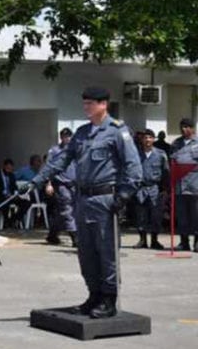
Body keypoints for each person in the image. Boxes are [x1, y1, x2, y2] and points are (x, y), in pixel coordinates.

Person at [29, 87, 142, 319]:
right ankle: (94, 294)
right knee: (86, 250)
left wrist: (124, 195)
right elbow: (60, 160)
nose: (86, 107)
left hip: (105, 198)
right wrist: (36, 181)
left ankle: (109, 298)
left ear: (103, 105)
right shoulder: (81, 133)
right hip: (82, 198)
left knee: (106, 249)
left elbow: (133, 166)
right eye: (85, 103)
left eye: (90, 103)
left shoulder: (117, 132)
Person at [134, 129, 168, 249]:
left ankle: (154, 240)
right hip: (140, 188)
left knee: (156, 215)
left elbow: (166, 172)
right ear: (142, 140)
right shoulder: (136, 154)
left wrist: (165, 189)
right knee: (141, 215)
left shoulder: (160, 154)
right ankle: (142, 240)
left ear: (154, 139)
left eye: (150, 137)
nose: (147, 140)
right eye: (145, 138)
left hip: (155, 188)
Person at [45, 128, 77, 246]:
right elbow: (48, 168)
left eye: (69, 136)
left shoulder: (76, 150)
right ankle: (75, 236)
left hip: (74, 183)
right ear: (61, 137)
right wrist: (48, 184)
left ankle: (52, 235)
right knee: (67, 208)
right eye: (64, 136)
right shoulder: (54, 151)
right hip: (60, 183)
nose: (67, 138)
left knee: (62, 212)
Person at [170, 118, 198, 251]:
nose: (183, 129)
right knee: (182, 216)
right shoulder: (176, 143)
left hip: (195, 186)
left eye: (187, 127)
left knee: (196, 215)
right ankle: (184, 241)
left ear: (192, 128)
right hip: (180, 186)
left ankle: (197, 242)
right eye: (182, 127)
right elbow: (173, 161)